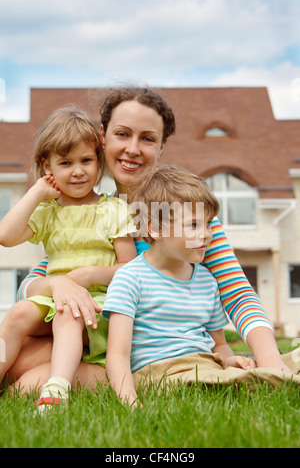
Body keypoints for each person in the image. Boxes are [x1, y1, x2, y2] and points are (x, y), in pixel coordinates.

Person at [6, 85, 294, 393]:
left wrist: (271, 364)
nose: (133, 148)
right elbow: (34, 284)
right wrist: (61, 283)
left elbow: (238, 294)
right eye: (122, 134)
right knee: (21, 358)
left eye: (147, 138)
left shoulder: (188, 220)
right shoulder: (88, 211)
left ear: (161, 147)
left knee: (25, 370)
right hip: (87, 336)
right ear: (102, 137)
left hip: (144, 355)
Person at [103, 165, 300, 407]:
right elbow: (117, 355)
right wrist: (131, 403)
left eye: (208, 224)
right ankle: (268, 382)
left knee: (294, 359)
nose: (207, 234)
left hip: (206, 366)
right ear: (155, 228)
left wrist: (229, 361)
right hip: (161, 373)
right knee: (225, 382)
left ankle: (266, 377)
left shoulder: (207, 280)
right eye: (194, 225)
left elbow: (219, 345)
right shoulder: (130, 278)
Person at [0, 105, 137, 409]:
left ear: (98, 161)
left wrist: (90, 275)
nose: (78, 171)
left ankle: (57, 388)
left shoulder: (112, 210)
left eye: (86, 160)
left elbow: (129, 268)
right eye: (65, 162)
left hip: (96, 306)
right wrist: (37, 192)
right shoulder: (48, 212)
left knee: (68, 313)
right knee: (18, 313)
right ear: (47, 166)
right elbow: (6, 236)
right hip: (54, 298)